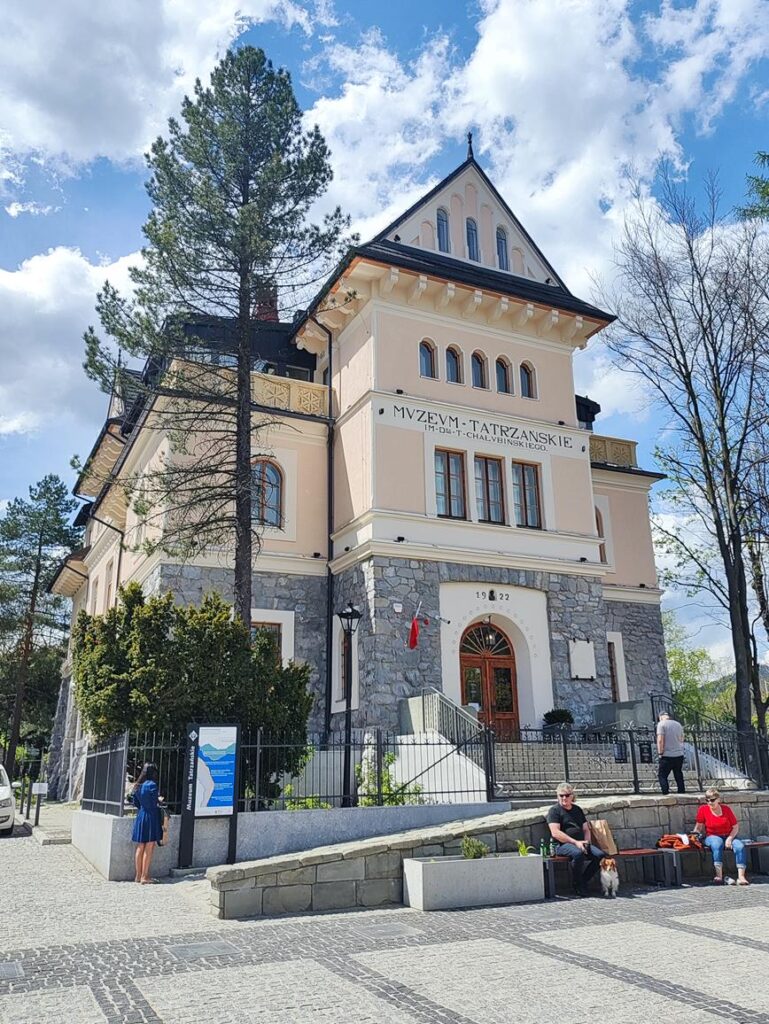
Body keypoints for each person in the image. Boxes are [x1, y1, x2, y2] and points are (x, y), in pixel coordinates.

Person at [546, 782, 605, 896]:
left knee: (600, 855)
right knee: (578, 854)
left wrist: (587, 842)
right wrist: (575, 842)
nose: (564, 798)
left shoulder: (577, 809)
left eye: (567, 795)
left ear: (572, 796)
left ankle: (583, 881)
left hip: (580, 842)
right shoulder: (554, 811)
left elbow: (586, 829)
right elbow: (555, 833)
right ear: (557, 796)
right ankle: (577, 885)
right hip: (562, 845)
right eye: (561, 795)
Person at [693, 787, 749, 885]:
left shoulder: (726, 809)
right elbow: (698, 827)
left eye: (712, 800)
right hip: (712, 836)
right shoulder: (703, 809)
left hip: (728, 834)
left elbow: (735, 827)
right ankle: (719, 875)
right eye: (707, 800)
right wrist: (694, 836)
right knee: (717, 844)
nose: (710, 802)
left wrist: (730, 838)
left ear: (718, 799)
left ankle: (741, 876)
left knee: (740, 846)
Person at [131, 762, 162, 884]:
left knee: (140, 846)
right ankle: (145, 876)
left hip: (141, 815)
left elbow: (135, 802)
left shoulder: (138, 785)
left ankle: (138, 876)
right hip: (151, 816)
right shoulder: (153, 785)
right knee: (149, 846)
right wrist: (159, 800)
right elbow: (155, 802)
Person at [656, 711, 685, 794]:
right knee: (678, 774)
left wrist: (660, 753)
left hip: (667, 755)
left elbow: (660, 740)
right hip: (679, 754)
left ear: (661, 717)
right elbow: (682, 739)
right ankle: (681, 792)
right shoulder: (678, 724)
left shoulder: (661, 724)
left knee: (662, 775)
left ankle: (665, 792)